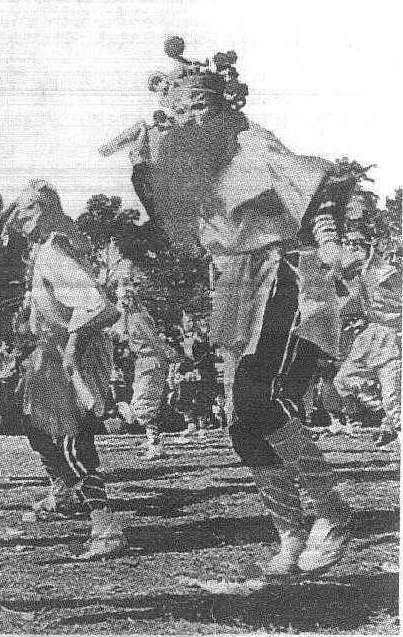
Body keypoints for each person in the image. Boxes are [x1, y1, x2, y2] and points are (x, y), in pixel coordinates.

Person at [112, 37, 357, 576]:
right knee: (243, 423)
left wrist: (331, 238)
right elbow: (175, 233)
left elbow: (322, 185)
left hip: (282, 273)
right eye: (182, 111)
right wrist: (142, 169)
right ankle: (290, 532)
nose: (191, 118)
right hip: (232, 286)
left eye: (201, 107)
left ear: (223, 107)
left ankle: (331, 513)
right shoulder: (193, 169)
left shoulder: (252, 144)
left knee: (258, 395)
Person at [7, 181, 127, 560]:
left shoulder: (56, 251)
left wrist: (73, 344)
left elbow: (101, 307)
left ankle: (105, 525)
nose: (18, 218)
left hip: (74, 352)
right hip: (52, 351)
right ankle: (64, 490)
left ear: (44, 210)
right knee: (35, 423)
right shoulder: (45, 249)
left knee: (72, 438)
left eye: (26, 210)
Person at [334, 236, 401, 447]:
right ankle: (383, 415)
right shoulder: (359, 276)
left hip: (393, 340)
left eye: (355, 245)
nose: (350, 249)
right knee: (343, 380)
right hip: (370, 340)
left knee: (394, 402)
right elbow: (349, 305)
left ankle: (392, 423)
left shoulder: (389, 275)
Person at [108, 259, 170, 460]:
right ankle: (153, 441)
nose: (122, 303)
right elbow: (119, 333)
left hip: (151, 361)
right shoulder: (132, 317)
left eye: (124, 300)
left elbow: (151, 340)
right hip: (145, 362)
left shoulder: (138, 318)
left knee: (142, 405)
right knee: (144, 403)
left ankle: (155, 445)